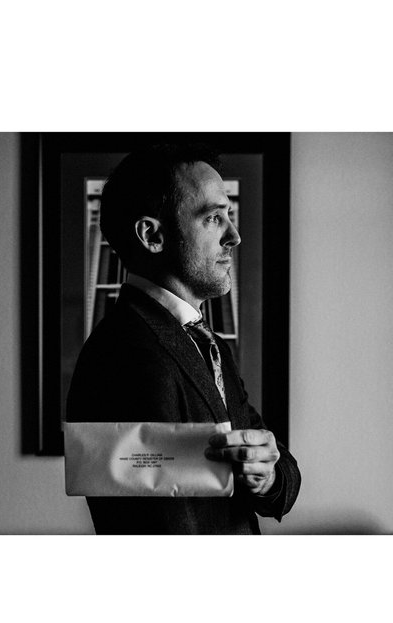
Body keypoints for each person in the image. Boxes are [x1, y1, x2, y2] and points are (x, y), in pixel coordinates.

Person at [65, 144, 300, 534]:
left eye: (229, 215)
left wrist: (267, 476)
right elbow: (163, 529)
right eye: (213, 218)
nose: (235, 236)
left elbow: (280, 480)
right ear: (152, 235)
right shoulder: (124, 356)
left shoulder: (209, 344)